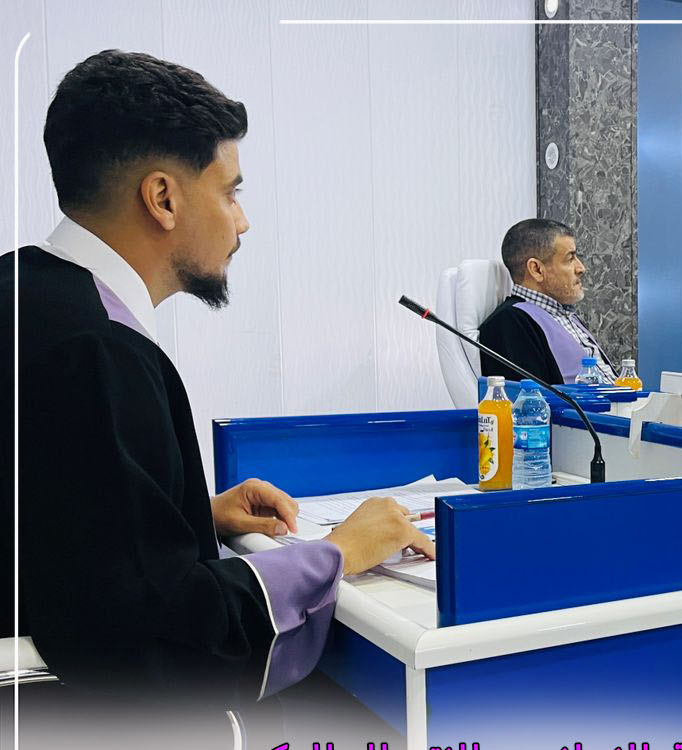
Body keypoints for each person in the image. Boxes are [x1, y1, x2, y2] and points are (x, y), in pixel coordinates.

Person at [4, 50, 434, 702]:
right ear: (163, 198)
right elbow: (156, 632)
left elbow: (53, 527)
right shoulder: (97, 351)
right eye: (230, 192)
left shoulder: (26, 293)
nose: (243, 220)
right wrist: (339, 552)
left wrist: (190, 515)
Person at [478, 218, 617, 385]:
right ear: (537, 269)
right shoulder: (509, 323)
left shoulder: (566, 315)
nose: (581, 268)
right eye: (570, 259)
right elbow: (530, 397)